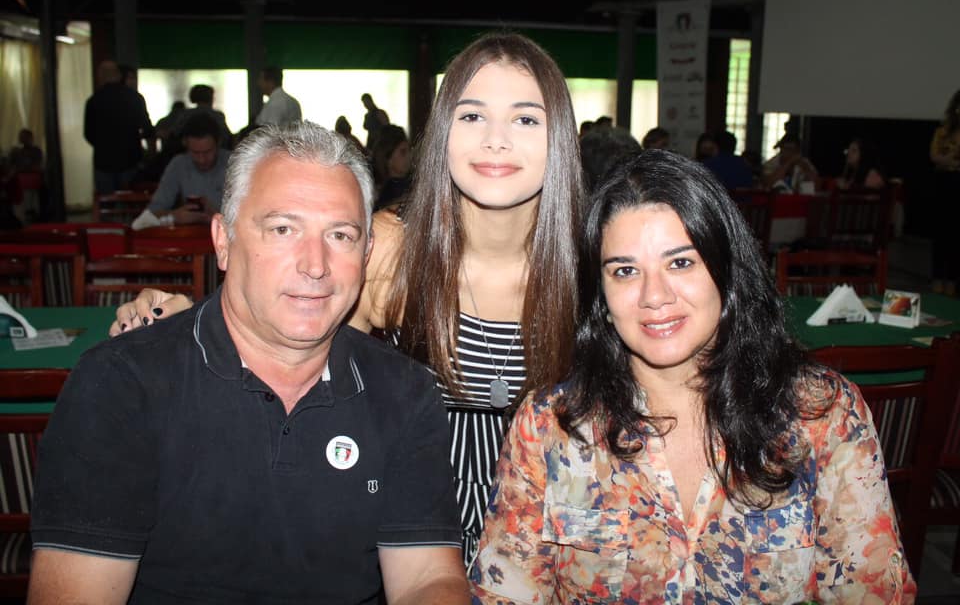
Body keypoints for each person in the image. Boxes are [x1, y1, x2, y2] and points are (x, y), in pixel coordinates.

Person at [110, 32, 585, 565]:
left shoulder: (592, 265)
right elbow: (291, 345)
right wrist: (190, 324)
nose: (496, 140)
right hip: (405, 533)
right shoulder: (392, 250)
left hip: (551, 541)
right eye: (472, 116)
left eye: (525, 119)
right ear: (442, 133)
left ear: (560, 137)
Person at [29, 122, 469, 604]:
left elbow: (427, 577)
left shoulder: (403, 391)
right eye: (283, 229)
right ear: (224, 240)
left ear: (366, 254)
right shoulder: (121, 385)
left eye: (340, 235)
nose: (315, 264)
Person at [471, 150, 915, 603]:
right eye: (625, 271)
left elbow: (875, 593)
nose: (654, 296)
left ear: (726, 271)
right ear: (601, 296)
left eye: (680, 263)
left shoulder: (822, 416)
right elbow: (505, 593)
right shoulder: (550, 426)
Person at [144, 113, 230, 226]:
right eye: (195, 152)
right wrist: (175, 216)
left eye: (207, 152)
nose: (202, 159)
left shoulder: (234, 164)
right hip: (188, 233)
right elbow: (151, 213)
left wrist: (216, 215)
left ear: (218, 144)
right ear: (185, 145)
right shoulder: (179, 164)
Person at [84, 60, 155, 194]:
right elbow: (147, 129)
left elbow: (88, 134)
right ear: (118, 75)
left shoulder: (94, 100)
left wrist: (103, 144)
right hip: (130, 158)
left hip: (104, 160)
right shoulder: (135, 98)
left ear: (100, 76)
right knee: (131, 200)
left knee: (107, 201)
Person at [930, 89, 960, 296]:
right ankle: (937, 280)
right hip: (945, 182)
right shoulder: (942, 131)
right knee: (941, 233)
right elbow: (934, 156)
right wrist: (948, 160)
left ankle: (952, 283)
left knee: (956, 235)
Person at [371, 124, 412, 210]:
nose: (409, 156)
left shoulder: (412, 183)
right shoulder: (387, 196)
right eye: (403, 152)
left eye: (410, 150)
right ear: (388, 158)